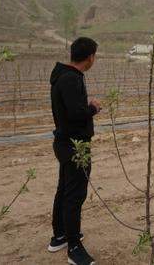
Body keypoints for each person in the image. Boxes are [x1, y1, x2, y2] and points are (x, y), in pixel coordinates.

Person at [48, 37, 100, 265]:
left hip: (64, 142)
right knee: (74, 195)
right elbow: (76, 114)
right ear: (89, 57)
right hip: (74, 146)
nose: (94, 60)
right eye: (94, 55)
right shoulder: (71, 79)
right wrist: (93, 108)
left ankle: (60, 235)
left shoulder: (64, 75)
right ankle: (74, 248)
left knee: (65, 189)